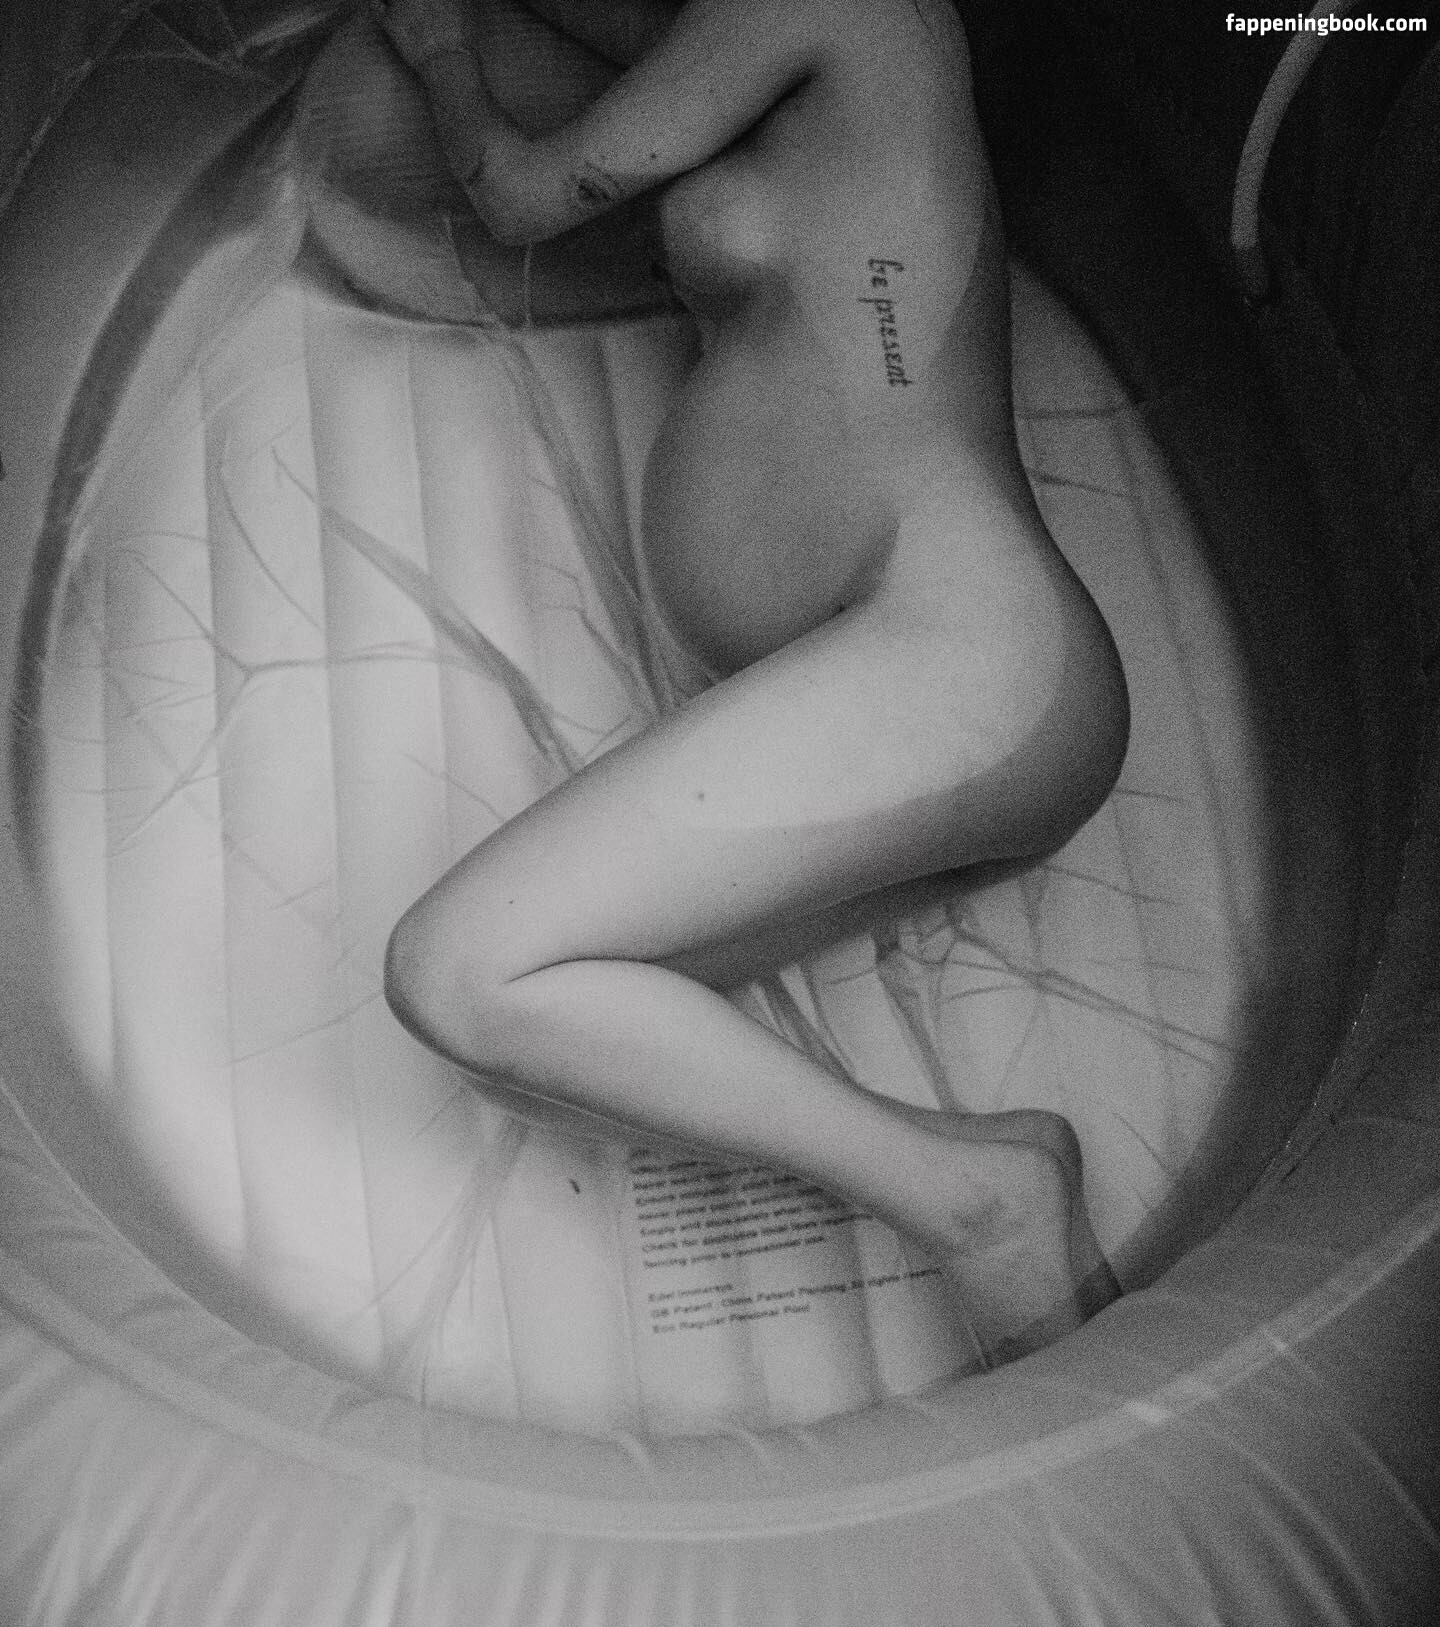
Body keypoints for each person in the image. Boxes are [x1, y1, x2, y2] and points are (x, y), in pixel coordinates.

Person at [371, 0, 1130, 1358]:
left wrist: (438, 53)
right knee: (547, 1054)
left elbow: (522, 196)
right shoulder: (778, 47)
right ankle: (994, 1198)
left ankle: (973, 1197)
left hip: (957, 650)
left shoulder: (851, 9)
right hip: (912, 691)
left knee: (459, 972)